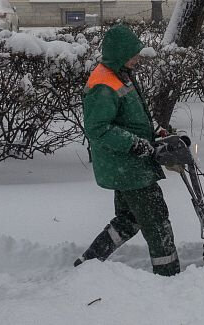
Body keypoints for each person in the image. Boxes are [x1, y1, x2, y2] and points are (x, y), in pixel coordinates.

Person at [74, 24, 180, 276]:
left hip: (127, 166)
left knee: (128, 219)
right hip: (128, 167)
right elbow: (98, 128)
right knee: (156, 222)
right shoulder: (103, 84)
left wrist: (156, 132)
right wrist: (136, 144)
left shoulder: (121, 74)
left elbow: (134, 116)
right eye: (133, 53)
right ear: (120, 53)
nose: (138, 57)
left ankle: (88, 263)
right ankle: (169, 276)